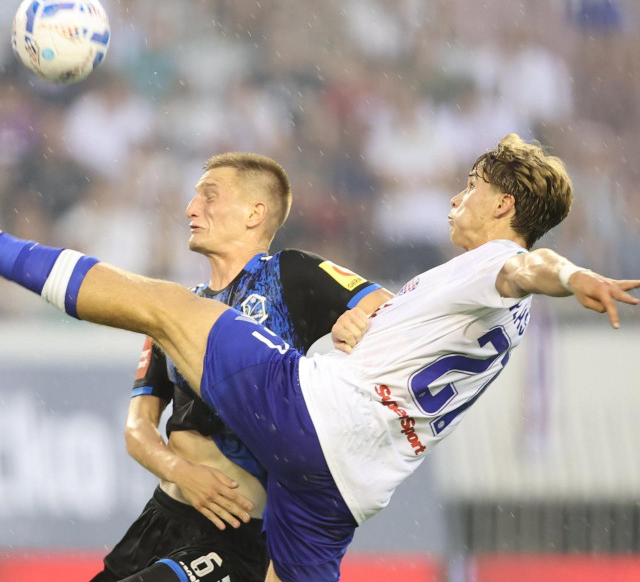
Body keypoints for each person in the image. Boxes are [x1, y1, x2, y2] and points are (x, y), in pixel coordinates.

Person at [1, 134, 638, 582]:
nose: (455, 199)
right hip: (349, 490)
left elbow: (531, 265)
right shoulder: (505, 317)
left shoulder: (492, 265)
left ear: (503, 206)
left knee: (159, 305)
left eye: (471, 187)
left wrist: (574, 274)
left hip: (311, 418)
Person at [88, 152, 393, 582]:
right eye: (195, 198)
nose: (192, 208)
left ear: (255, 212)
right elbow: (138, 430)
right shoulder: (175, 311)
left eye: (209, 197)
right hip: (161, 516)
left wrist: (357, 321)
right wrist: (182, 473)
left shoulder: (289, 273)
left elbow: (393, 313)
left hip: (234, 532)